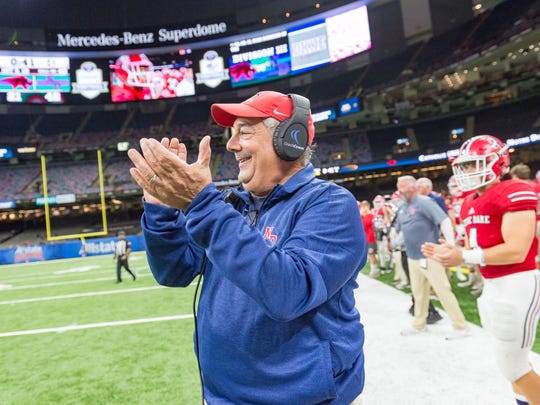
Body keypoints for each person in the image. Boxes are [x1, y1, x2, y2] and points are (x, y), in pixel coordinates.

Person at [127, 91, 368, 404]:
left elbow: (288, 292)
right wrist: (161, 212)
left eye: (244, 131)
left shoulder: (329, 203)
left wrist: (202, 205)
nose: (231, 144)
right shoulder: (231, 205)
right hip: (223, 397)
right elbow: (175, 270)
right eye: (231, 133)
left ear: (289, 139)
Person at [422, 135, 540, 405]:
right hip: (493, 285)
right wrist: (452, 250)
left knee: (514, 367)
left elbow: (517, 249)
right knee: (509, 361)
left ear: (498, 163)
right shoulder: (469, 201)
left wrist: (463, 255)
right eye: (464, 166)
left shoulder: (514, 190)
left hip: (517, 283)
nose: (468, 172)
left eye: (475, 164)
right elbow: (475, 245)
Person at [394, 175, 469, 339]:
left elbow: (445, 221)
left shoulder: (425, 202)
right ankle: (419, 324)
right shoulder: (402, 207)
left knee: (443, 291)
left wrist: (450, 245)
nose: (400, 190)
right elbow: (402, 229)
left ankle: (461, 326)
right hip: (412, 256)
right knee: (418, 293)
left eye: (403, 186)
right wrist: (395, 243)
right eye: (399, 186)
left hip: (430, 256)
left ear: (413, 187)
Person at [359, 200, 379, 278]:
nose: (364, 208)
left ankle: (374, 271)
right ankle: (373, 270)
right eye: (362, 207)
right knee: (368, 255)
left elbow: (367, 224)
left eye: (365, 207)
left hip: (371, 238)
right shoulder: (361, 216)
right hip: (364, 239)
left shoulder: (371, 216)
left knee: (372, 255)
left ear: (368, 207)